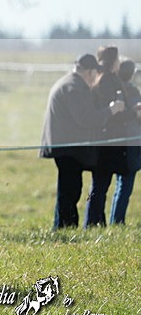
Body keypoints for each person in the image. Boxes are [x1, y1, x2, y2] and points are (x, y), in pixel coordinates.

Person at [40, 54, 123, 229]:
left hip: (65, 145)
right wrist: (111, 110)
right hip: (68, 148)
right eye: (95, 73)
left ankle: (64, 227)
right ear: (90, 71)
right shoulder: (75, 87)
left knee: (69, 189)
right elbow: (86, 118)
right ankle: (65, 227)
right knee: (70, 190)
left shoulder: (68, 82)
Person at [85, 46, 135, 227]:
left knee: (100, 185)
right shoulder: (106, 80)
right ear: (112, 61)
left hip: (107, 140)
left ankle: (96, 222)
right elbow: (114, 112)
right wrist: (133, 114)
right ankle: (92, 223)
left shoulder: (103, 79)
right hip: (108, 140)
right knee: (100, 185)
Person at [110, 58, 141, 224]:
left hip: (119, 142)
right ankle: (117, 220)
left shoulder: (114, 88)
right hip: (131, 143)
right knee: (125, 185)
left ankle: (115, 219)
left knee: (118, 185)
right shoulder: (132, 90)